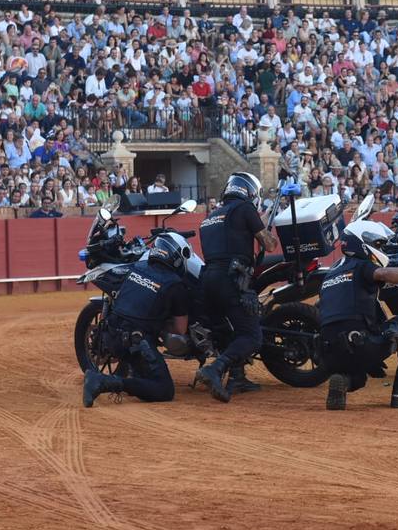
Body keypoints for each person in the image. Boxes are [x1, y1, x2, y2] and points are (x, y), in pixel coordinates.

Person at [318, 220, 398, 411]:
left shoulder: (331, 274)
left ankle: (343, 380)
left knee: (358, 378)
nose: (381, 249)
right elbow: (385, 273)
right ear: (360, 243)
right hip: (358, 343)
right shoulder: (361, 265)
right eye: (377, 244)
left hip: (328, 353)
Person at [193, 172, 277, 402]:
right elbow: (268, 245)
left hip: (207, 281)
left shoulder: (209, 217)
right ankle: (214, 369)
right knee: (251, 336)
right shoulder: (245, 209)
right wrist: (268, 224)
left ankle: (237, 377)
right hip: (231, 280)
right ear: (250, 192)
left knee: (230, 331)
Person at [81, 234, 187, 407]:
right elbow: (180, 330)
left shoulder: (138, 267)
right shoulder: (175, 284)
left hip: (111, 336)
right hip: (135, 342)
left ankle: (132, 376)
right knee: (164, 390)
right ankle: (104, 381)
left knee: (143, 377)